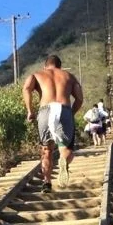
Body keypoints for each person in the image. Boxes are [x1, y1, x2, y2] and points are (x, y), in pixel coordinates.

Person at [23, 55, 84, 192]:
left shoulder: (37, 75)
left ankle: (47, 182)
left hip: (45, 110)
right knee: (65, 147)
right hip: (64, 109)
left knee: (47, 150)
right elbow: (80, 99)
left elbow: (26, 88)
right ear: (60, 66)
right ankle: (64, 161)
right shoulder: (69, 76)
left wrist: (30, 111)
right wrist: (71, 114)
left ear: (45, 66)